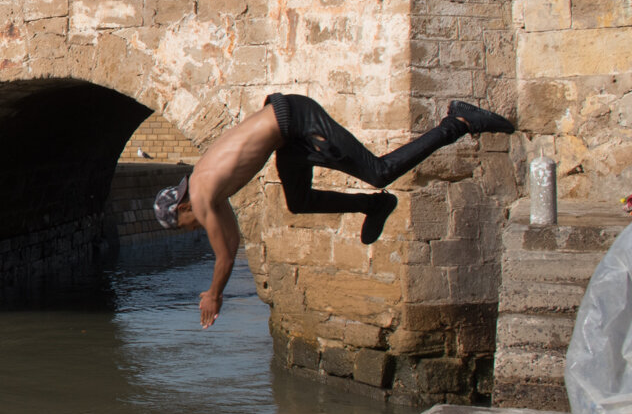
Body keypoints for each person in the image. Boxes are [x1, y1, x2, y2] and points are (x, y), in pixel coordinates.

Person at [155, 94, 514, 329]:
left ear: (183, 206)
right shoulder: (208, 192)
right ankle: (375, 205)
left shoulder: (202, 199)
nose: (191, 228)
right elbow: (230, 248)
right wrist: (216, 286)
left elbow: (224, 258)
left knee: (379, 171)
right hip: (288, 137)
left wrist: (214, 294)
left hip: (295, 118)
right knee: (299, 202)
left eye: (183, 225)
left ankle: (458, 123)